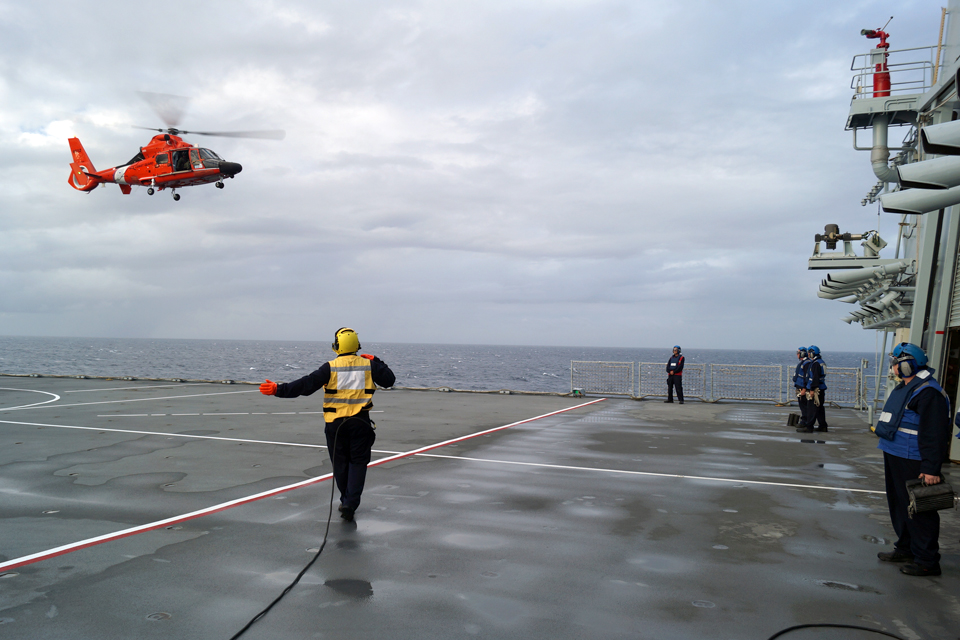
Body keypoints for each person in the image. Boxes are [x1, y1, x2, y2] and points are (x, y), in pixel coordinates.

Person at [259, 328, 395, 521]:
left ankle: (345, 499)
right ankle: (350, 503)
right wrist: (376, 360)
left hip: (335, 425)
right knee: (358, 463)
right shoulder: (369, 365)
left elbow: (306, 385)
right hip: (360, 423)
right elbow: (389, 380)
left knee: (340, 464)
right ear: (357, 345)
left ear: (337, 346)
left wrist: (278, 390)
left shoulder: (330, 367)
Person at [872, 343, 951, 577]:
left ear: (907, 365)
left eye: (896, 363)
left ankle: (927, 560)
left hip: (914, 459)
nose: (893, 368)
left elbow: (934, 434)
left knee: (920, 509)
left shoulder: (928, 392)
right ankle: (906, 548)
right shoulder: (907, 387)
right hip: (896, 454)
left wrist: (930, 468)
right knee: (899, 505)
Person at [797, 345, 828, 433]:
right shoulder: (820, 362)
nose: (808, 354)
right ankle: (823, 425)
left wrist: (811, 390)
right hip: (821, 388)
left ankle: (809, 427)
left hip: (816, 390)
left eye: (809, 353)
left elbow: (814, 378)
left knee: (812, 408)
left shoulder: (815, 364)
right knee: (819, 408)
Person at [793, 346, 809, 425]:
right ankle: (804, 420)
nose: (797, 354)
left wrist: (804, 389)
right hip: (799, 387)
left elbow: (807, 377)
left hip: (803, 388)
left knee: (804, 406)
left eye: (798, 353)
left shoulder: (806, 363)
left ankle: (805, 421)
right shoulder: (803, 363)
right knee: (802, 405)